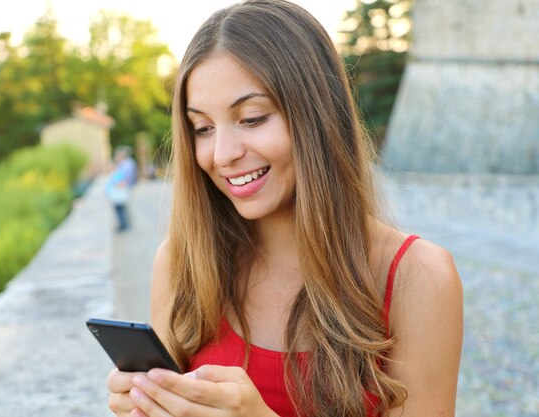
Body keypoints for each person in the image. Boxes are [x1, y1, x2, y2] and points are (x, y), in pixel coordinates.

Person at [106, 1, 463, 416]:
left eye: (252, 118)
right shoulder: (179, 262)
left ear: (316, 116)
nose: (221, 154)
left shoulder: (418, 277)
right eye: (202, 128)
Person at [106, 146, 138, 231]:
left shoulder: (126, 164)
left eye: (117, 156)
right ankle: (125, 224)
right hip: (123, 188)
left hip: (122, 188)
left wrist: (119, 184)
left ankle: (124, 225)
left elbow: (127, 178)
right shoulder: (126, 163)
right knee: (123, 207)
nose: (116, 158)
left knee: (121, 207)